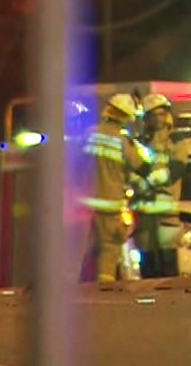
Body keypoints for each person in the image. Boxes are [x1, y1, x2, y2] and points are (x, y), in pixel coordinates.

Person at [77, 94, 170, 283]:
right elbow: (144, 169)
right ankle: (103, 290)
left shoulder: (89, 134)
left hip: (82, 205)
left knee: (80, 250)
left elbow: (75, 165)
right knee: (109, 250)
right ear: (127, 117)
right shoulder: (123, 142)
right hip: (109, 205)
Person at [131, 93, 189, 278]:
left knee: (168, 265)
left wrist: (149, 179)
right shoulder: (139, 143)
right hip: (145, 217)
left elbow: (175, 171)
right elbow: (131, 171)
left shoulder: (177, 142)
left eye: (161, 114)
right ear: (146, 118)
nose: (158, 119)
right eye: (153, 115)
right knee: (147, 268)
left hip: (167, 217)